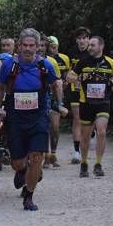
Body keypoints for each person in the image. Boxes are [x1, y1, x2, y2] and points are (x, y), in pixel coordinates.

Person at [0, 28, 63, 211]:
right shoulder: (10, 65)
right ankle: (23, 171)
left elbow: (55, 83)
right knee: (17, 162)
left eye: (31, 45)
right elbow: (0, 87)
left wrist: (59, 103)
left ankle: (29, 196)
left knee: (36, 156)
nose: (27, 49)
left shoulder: (44, 66)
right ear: (18, 46)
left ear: (37, 47)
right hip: (15, 116)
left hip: (38, 115)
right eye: (24, 45)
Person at [72, 35, 113, 178]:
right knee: (85, 137)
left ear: (101, 46)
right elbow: (70, 76)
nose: (89, 47)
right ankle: (84, 163)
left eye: (92, 45)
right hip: (86, 103)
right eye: (89, 45)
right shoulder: (83, 62)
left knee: (102, 132)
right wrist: (79, 78)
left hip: (103, 102)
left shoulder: (110, 62)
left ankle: (98, 164)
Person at [44, 35, 71, 167]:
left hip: (54, 97)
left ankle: (53, 153)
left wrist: (59, 99)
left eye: (55, 47)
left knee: (54, 127)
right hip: (39, 98)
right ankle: (45, 155)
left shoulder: (58, 60)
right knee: (42, 127)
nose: (52, 49)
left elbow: (61, 80)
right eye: (50, 47)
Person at [66, 26, 91, 163]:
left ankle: (89, 136)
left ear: (88, 39)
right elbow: (69, 73)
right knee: (77, 118)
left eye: (84, 38)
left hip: (90, 92)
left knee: (88, 120)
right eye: (79, 38)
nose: (82, 41)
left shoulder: (93, 53)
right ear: (76, 40)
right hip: (75, 90)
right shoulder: (72, 54)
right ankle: (76, 151)